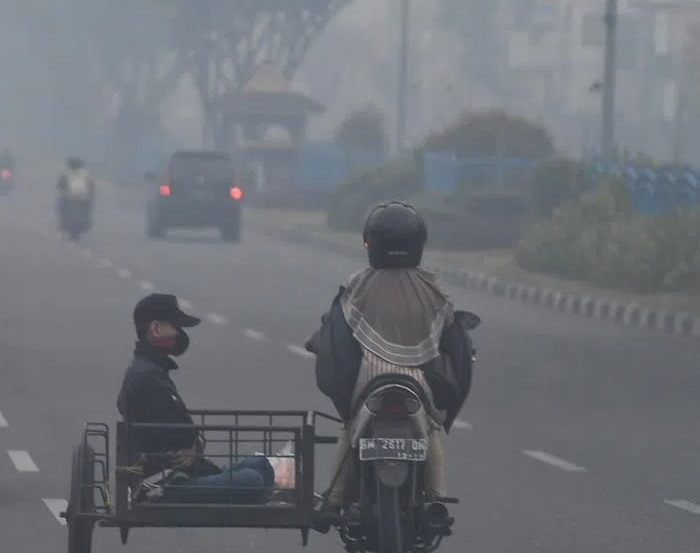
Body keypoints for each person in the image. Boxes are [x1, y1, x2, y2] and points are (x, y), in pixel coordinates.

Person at [305, 202, 475, 518]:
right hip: (417, 380)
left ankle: (334, 497)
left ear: (370, 243)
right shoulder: (432, 288)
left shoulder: (358, 285)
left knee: (351, 427)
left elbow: (338, 335)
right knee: (431, 430)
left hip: (368, 377)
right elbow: (452, 338)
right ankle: (436, 499)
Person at [117, 293, 275, 504]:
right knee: (253, 479)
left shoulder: (147, 369)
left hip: (178, 471)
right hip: (163, 483)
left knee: (260, 465)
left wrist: (193, 448)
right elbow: (183, 437)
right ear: (155, 329)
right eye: (175, 326)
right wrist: (193, 445)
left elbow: (184, 438)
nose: (179, 334)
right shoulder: (148, 376)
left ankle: (245, 488)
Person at [55, 156, 95, 230]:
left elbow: (59, 186)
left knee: (59, 205)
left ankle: (61, 223)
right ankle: (87, 223)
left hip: (68, 198)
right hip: (83, 199)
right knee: (88, 209)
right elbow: (91, 187)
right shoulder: (86, 174)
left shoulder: (66, 173)